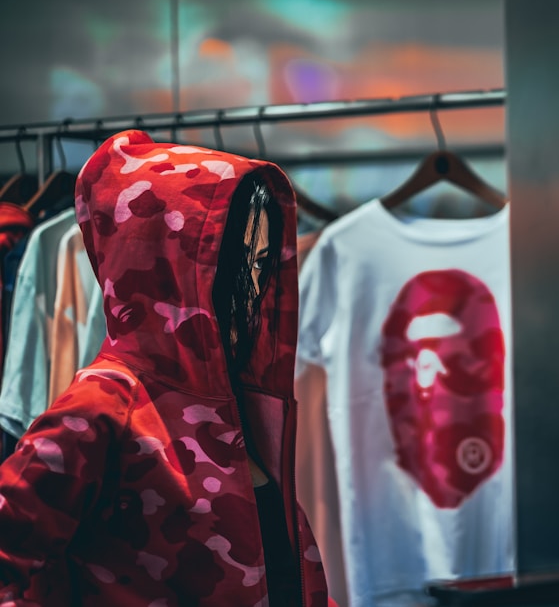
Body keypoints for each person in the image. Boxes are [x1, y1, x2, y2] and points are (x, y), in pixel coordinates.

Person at [0, 130, 329, 606]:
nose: (255, 289)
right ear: (167, 263)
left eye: (262, 265)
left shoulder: (233, 398)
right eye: (234, 265)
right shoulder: (103, 408)